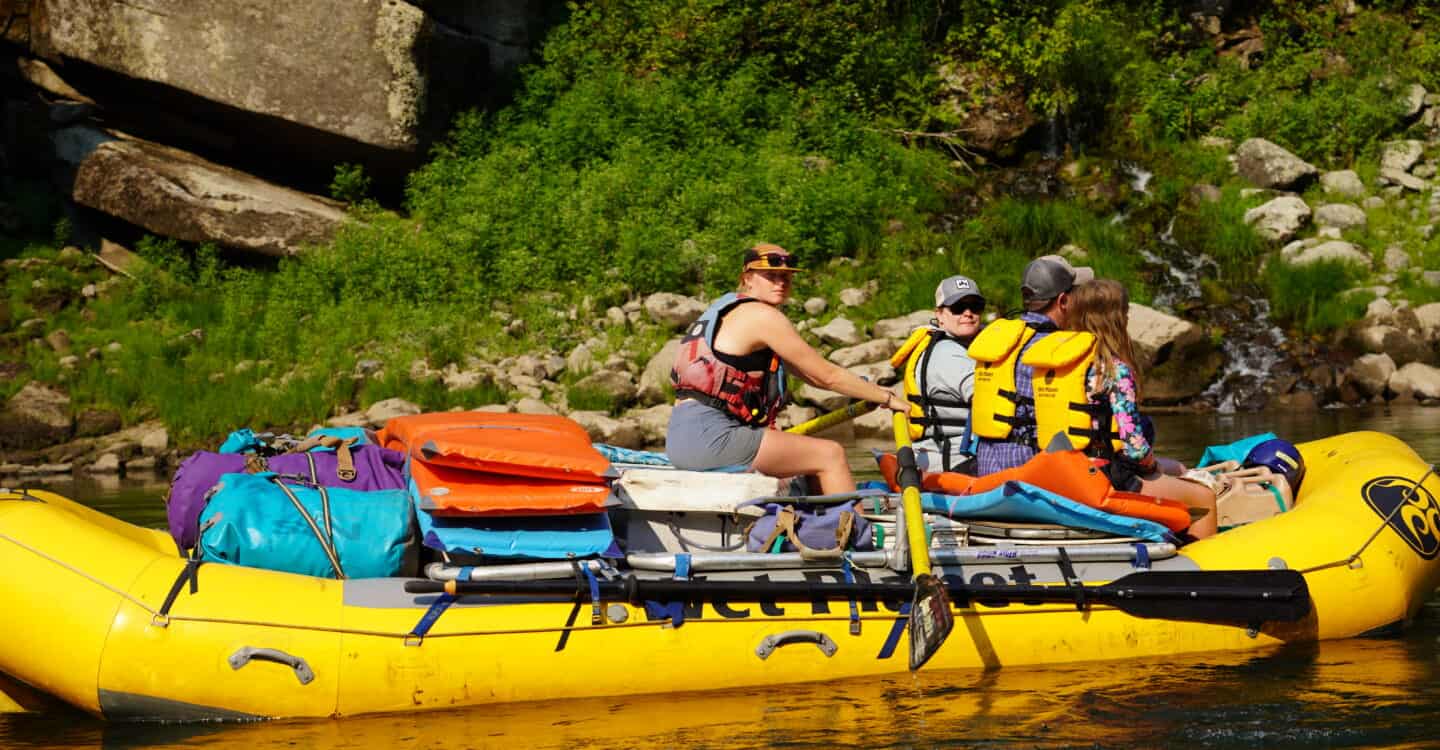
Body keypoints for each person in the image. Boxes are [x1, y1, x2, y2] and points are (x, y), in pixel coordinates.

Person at [666, 243, 907, 494]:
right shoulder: (761, 315)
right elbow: (827, 376)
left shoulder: (726, 310)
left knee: (805, 459)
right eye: (770, 276)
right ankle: (852, 531)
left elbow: (810, 374)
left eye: (786, 277)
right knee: (830, 454)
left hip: (682, 439)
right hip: (712, 437)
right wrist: (887, 398)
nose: (780, 282)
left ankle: (822, 523)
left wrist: (867, 390)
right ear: (747, 278)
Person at [1062, 279, 1218, 538]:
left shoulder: (1059, 367)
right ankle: (1204, 568)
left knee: (1177, 467)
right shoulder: (1115, 371)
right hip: (1106, 477)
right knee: (1203, 497)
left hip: (1065, 471)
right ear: (1116, 320)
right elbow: (1134, 448)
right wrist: (1151, 466)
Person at [969, 254, 1093, 475]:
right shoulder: (1060, 348)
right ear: (1063, 301)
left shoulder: (999, 337)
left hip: (988, 468)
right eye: (1076, 296)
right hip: (1031, 470)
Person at [899, 275, 985, 473]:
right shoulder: (947, 355)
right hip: (954, 461)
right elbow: (987, 399)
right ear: (939, 314)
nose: (968, 313)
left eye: (975, 306)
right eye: (958, 307)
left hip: (963, 455)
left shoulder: (969, 348)